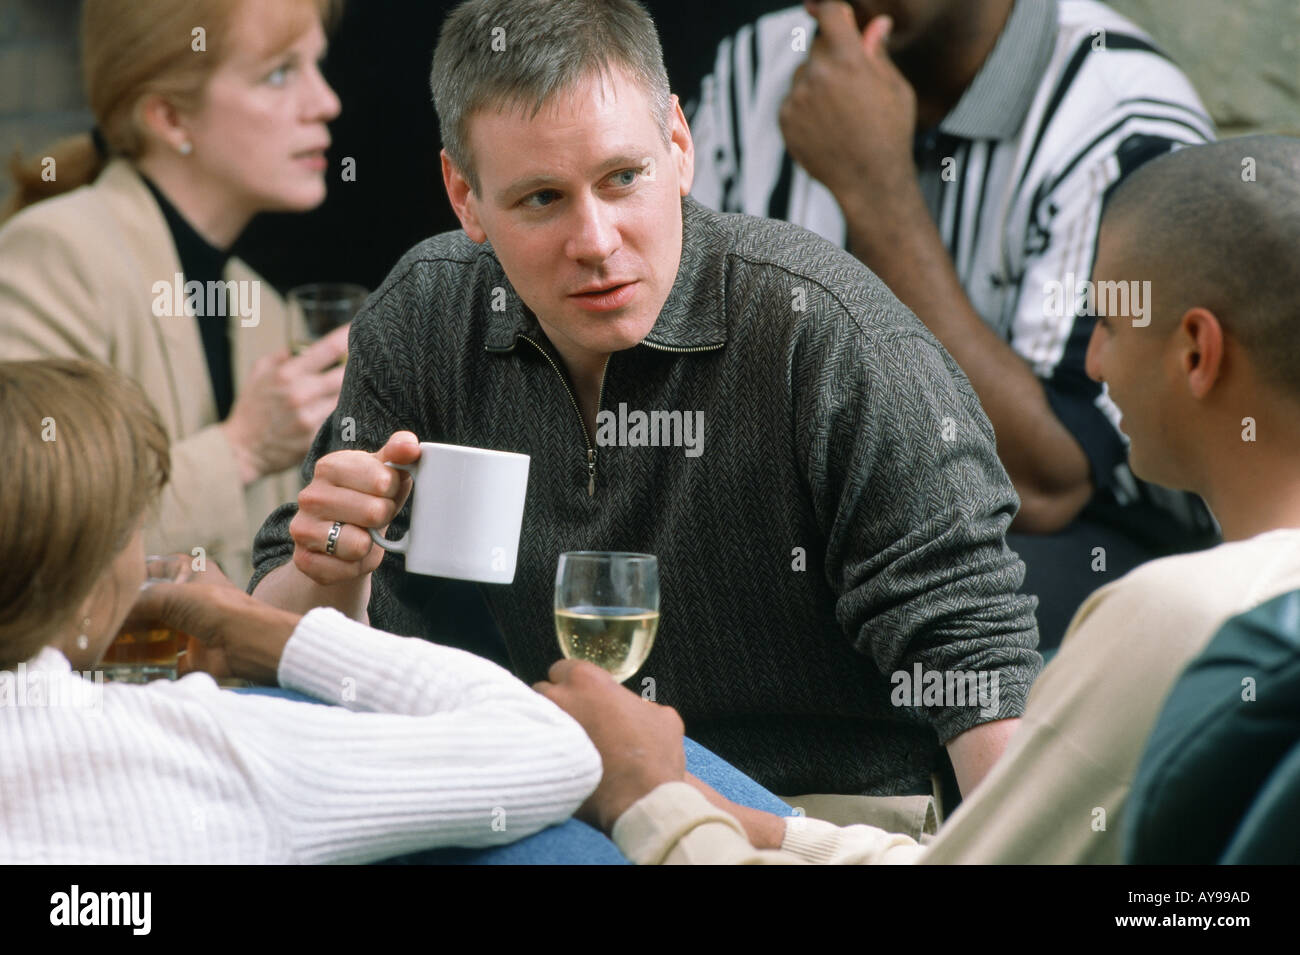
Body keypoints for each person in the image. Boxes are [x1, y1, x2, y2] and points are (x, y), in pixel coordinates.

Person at [249, 0, 1040, 824]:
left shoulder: (823, 332)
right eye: (542, 199)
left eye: (623, 177)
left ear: (680, 144)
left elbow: (978, 661)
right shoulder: (425, 316)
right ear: (465, 197)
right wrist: (327, 571)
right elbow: (280, 630)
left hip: (813, 820)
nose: (595, 240)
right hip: (555, 798)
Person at [534, 136, 1300, 863]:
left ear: (1197, 351)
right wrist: (752, 823)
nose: (1093, 362)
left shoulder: (1174, 617)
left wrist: (649, 795)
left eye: (1106, 319)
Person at [687, 0, 1222, 648]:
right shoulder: (760, 64)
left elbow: (1045, 485)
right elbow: (685, 374)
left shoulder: (1121, 118)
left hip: (1064, 540)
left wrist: (876, 195)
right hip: (798, 517)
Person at [0, 358, 602, 864]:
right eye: (131, 530)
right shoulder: (197, 745)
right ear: (85, 572)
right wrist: (259, 629)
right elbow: (551, 749)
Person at [0, 0, 350, 587]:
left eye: (317, 65)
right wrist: (238, 450)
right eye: (280, 74)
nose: (326, 102)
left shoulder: (262, 304)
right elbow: (26, 528)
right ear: (169, 117)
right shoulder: (57, 252)